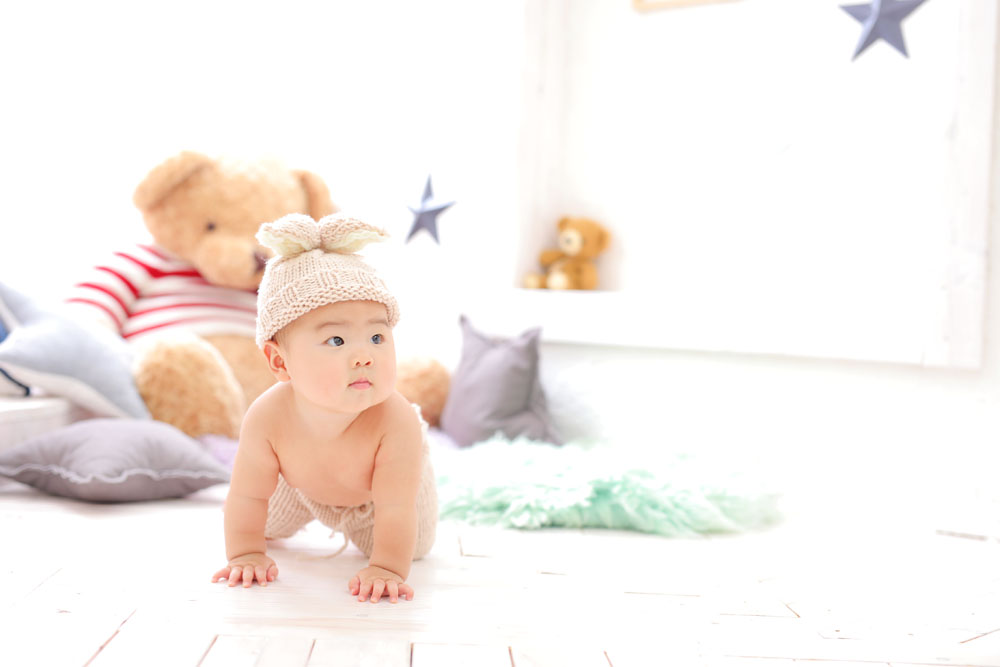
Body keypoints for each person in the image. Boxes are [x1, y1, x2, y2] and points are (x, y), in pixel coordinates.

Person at [211, 213, 437, 604]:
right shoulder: (267, 417)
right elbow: (248, 496)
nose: (364, 356)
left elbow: (396, 506)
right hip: (299, 488)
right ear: (280, 362)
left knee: (412, 546)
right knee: (254, 522)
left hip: (378, 501)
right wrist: (245, 554)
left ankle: (383, 545)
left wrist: (386, 568)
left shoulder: (395, 421)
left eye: (377, 337)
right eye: (336, 341)